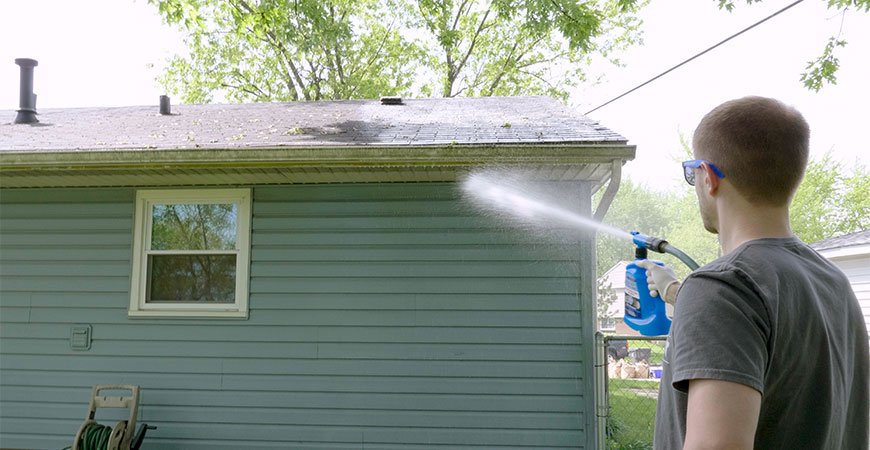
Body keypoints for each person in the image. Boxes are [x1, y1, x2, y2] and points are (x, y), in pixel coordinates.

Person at [637, 96, 869, 449]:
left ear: (708, 177)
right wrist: (673, 290)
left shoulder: (722, 289)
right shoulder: (832, 283)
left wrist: (690, 292)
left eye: (692, 173)